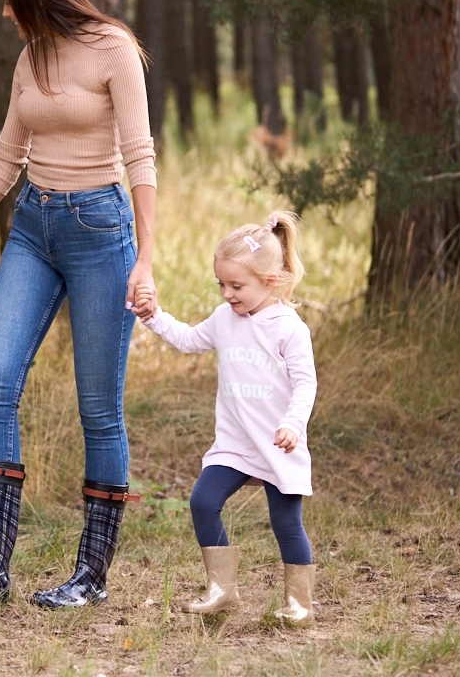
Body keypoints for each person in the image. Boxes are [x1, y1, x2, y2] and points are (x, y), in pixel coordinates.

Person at [0, 0, 158, 608]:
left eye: (10, 1)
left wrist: (146, 260)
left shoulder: (113, 48)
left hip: (101, 232)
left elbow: (140, 156)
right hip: (32, 226)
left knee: (98, 406)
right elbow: (6, 156)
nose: (5, 13)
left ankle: (91, 578)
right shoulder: (30, 57)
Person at [135, 210, 317, 624]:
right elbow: (188, 339)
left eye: (236, 286)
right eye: (221, 284)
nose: (227, 294)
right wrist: (153, 317)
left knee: (285, 522)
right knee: (203, 501)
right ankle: (222, 591)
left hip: (278, 442)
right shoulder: (223, 320)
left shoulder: (289, 329)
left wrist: (292, 424)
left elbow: (306, 384)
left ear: (270, 280)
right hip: (234, 444)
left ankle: (300, 604)